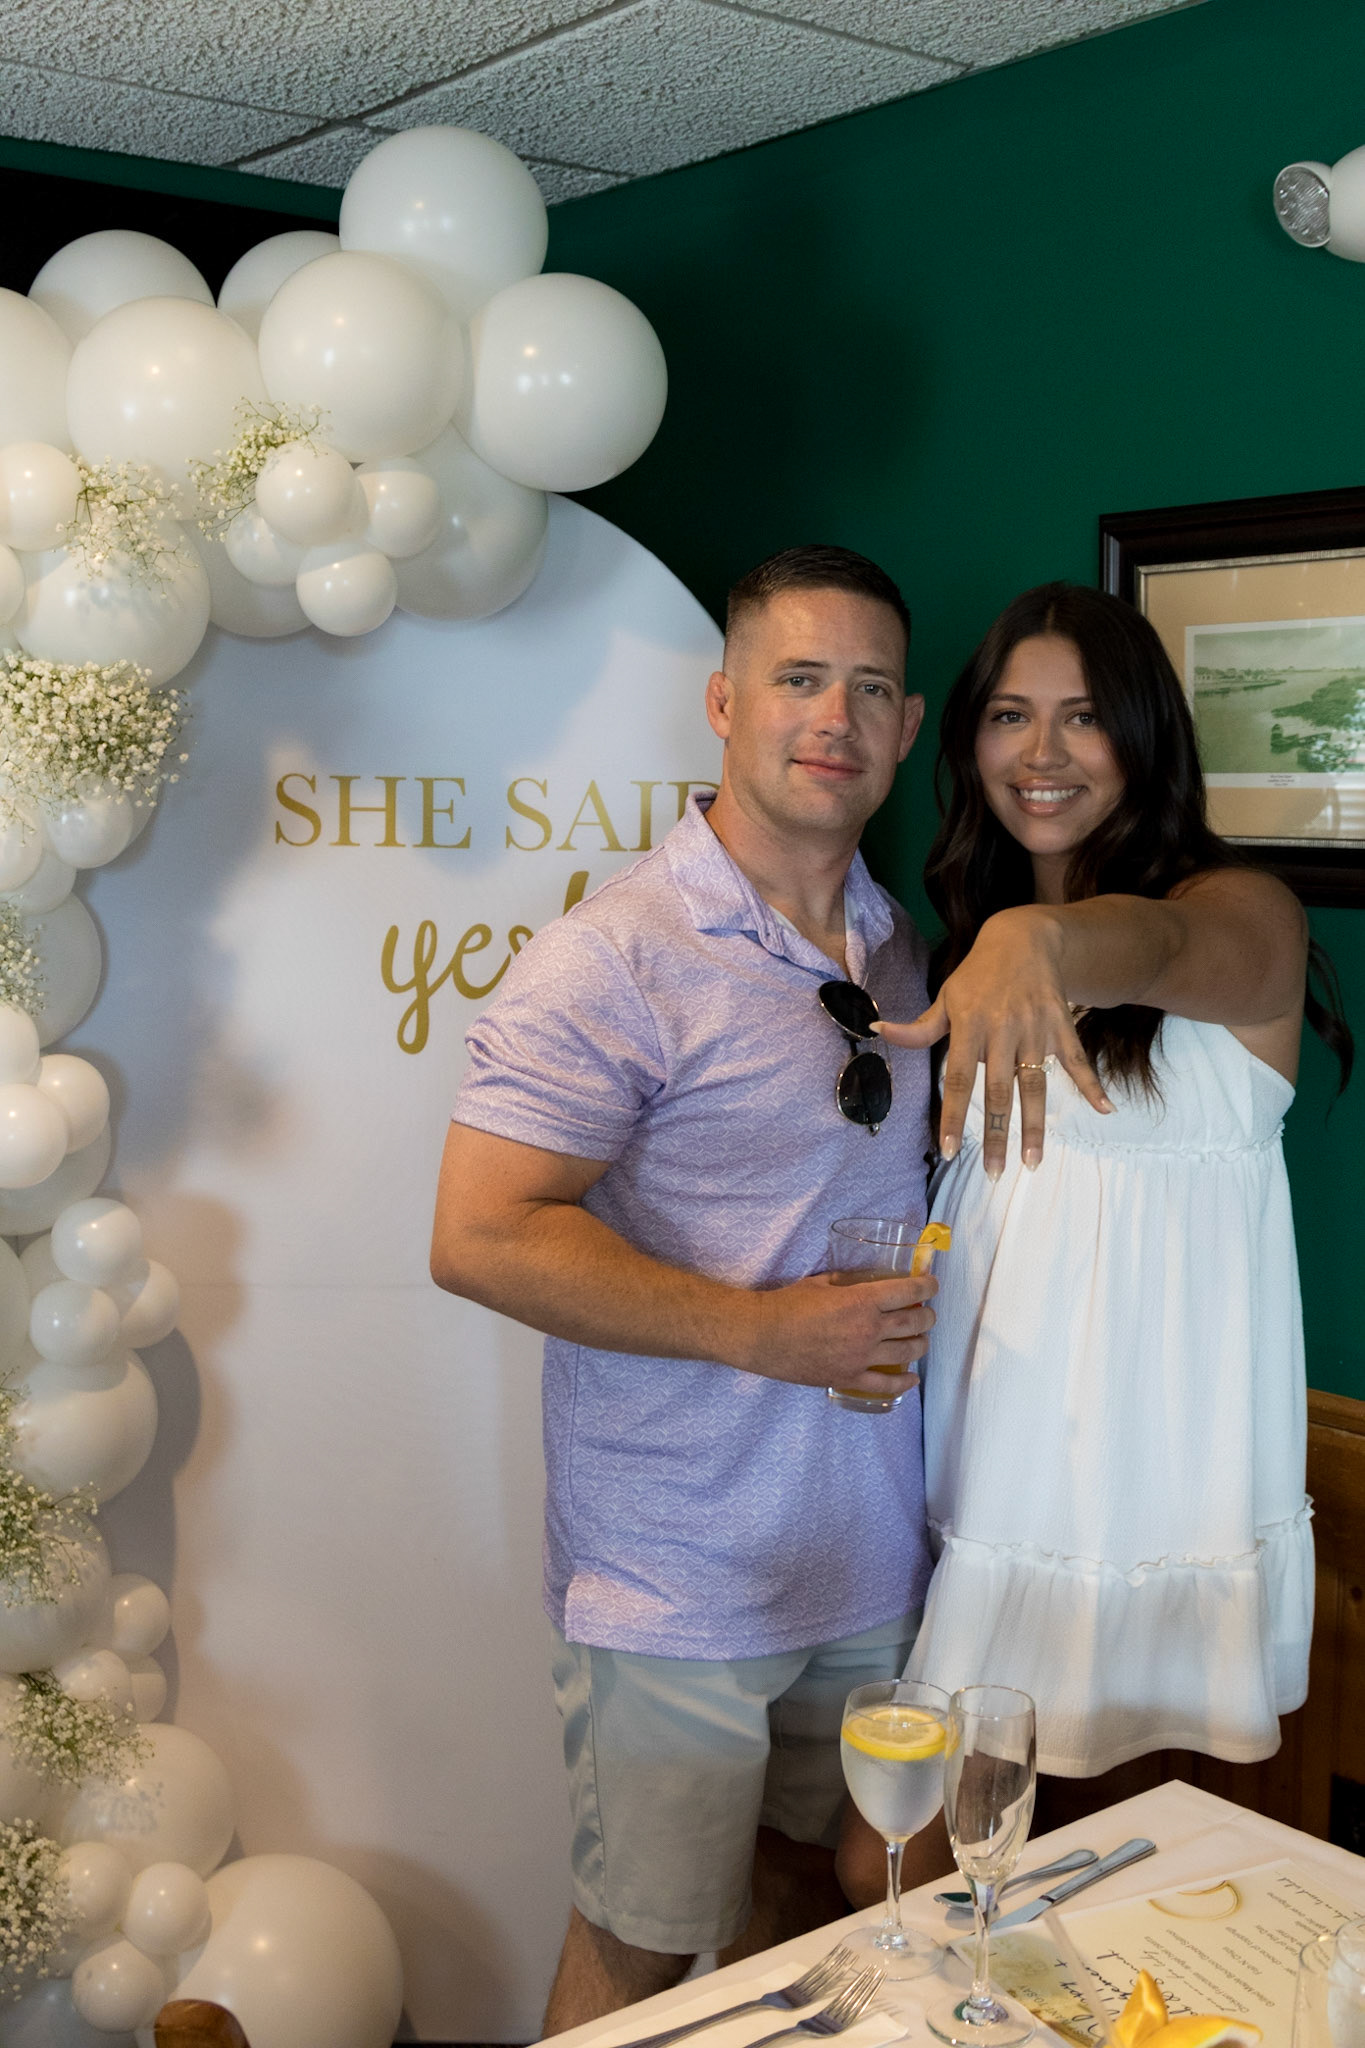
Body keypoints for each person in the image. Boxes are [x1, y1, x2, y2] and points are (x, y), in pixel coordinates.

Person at [430, 545, 952, 2030]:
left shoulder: (900, 946)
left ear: (907, 727)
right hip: (675, 1576)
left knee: (816, 1922)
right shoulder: (612, 957)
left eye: (869, 689)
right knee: (640, 1955)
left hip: (867, 1562)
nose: (833, 719)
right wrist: (763, 1331)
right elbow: (480, 1234)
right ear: (724, 703)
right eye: (799, 680)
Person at [852, 581, 1351, 1873]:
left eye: (1082, 716)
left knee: (1090, 1891)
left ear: (1144, 733)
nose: (1042, 751)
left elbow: (1164, 945)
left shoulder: (1246, 920)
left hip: (1138, 1523)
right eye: (1010, 715)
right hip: (970, 1492)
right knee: (910, 1872)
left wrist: (1042, 936)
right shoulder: (966, 958)